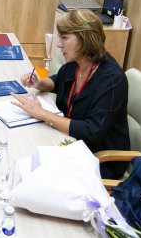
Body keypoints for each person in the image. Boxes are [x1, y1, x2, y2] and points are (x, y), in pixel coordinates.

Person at [11, 9, 130, 179]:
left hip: (98, 158)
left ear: (85, 38)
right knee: (22, 151)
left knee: (28, 170)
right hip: (69, 142)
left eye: (64, 38)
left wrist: (41, 113)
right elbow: (58, 81)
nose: (59, 44)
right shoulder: (76, 63)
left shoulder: (112, 80)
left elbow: (91, 131)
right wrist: (40, 83)